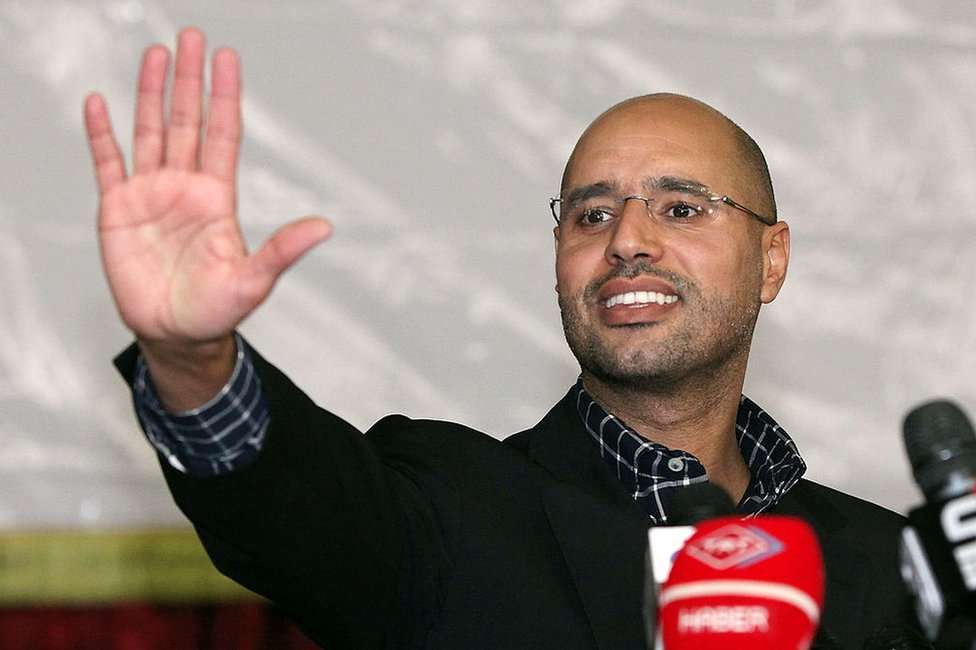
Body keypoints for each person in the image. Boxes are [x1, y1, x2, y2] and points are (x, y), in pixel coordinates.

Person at [86, 27, 916, 649]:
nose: (627, 238)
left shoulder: (893, 568)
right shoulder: (449, 511)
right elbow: (291, 505)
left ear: (772, 259)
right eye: (592, 213)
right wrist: (192, 356)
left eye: (681, 207)